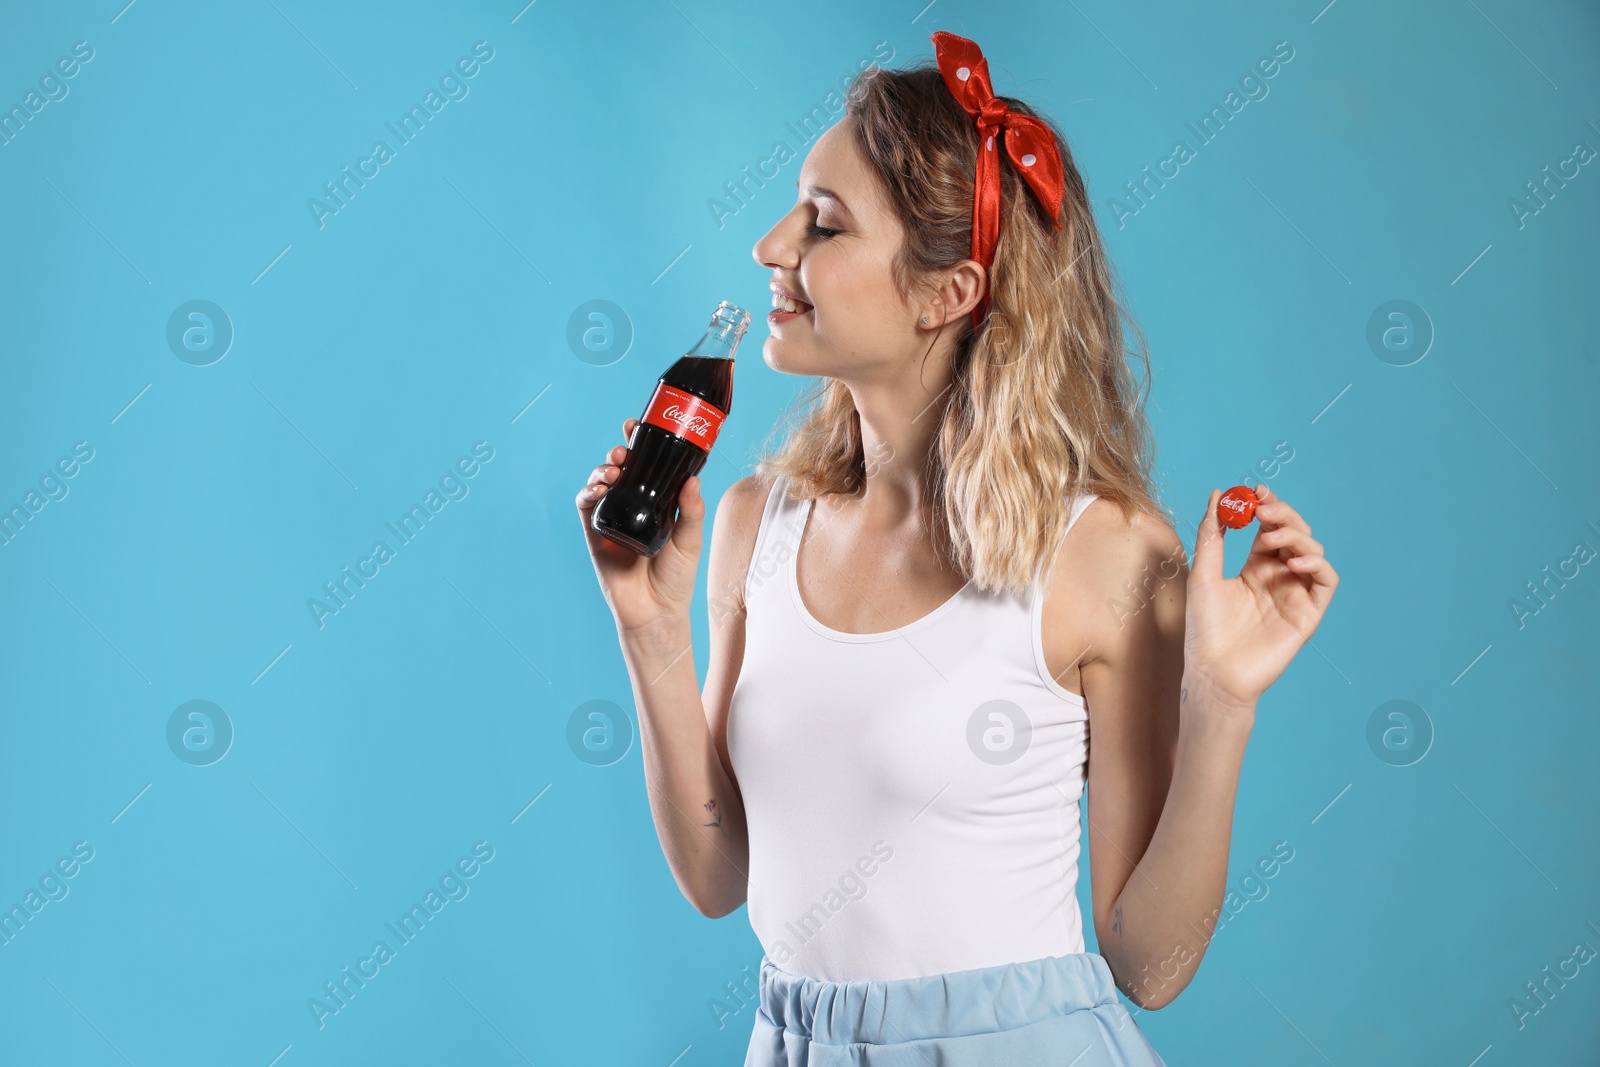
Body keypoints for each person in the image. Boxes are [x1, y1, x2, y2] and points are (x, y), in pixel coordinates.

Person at [578, 30, 1338, 1066]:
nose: (769, 245)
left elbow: (1149, 964)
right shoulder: (755, 519)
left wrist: (1222, 705)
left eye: (823, 223)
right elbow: (720, 876)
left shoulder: (1104, 554)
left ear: (949, 291)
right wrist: (651, 627)